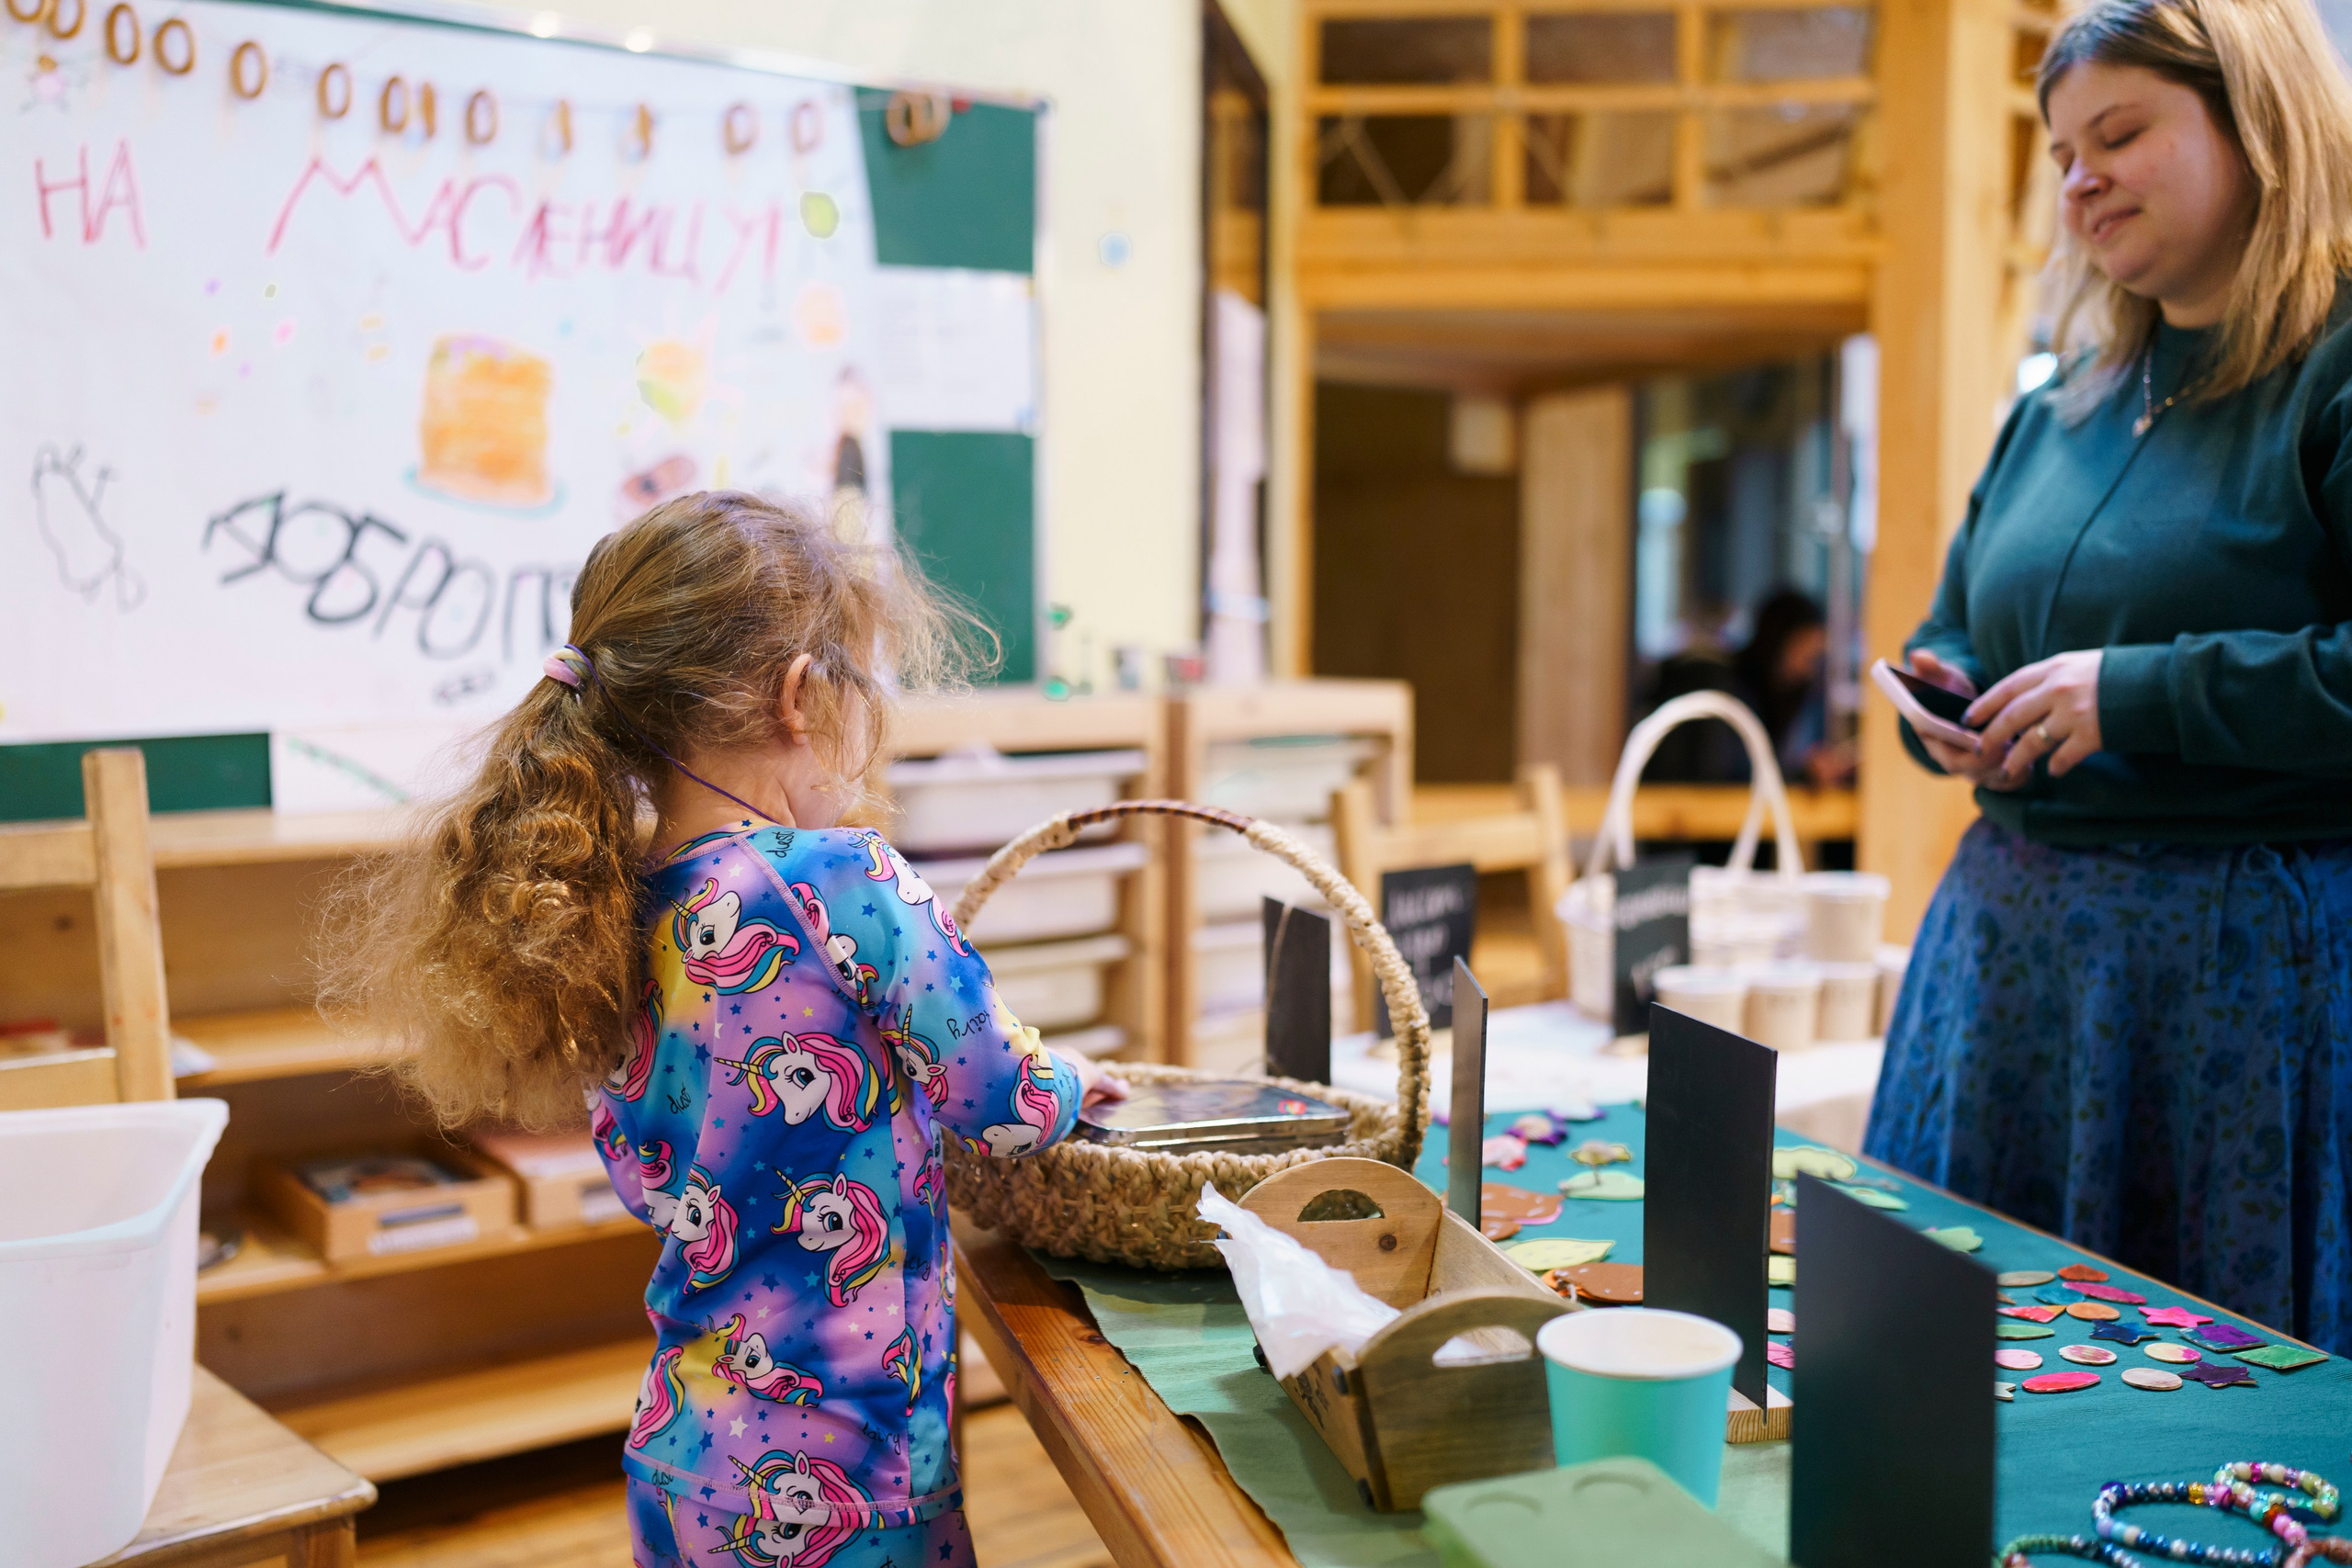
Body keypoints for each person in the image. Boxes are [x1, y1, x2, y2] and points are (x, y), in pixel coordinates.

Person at [322, 491, 1122, 1565]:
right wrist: (1070, 1079)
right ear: (801, 695)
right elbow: (1005, 1103)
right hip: (845, 1479)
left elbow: (658, 1179)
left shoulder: (597, 909)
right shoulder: (840, 878)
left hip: (681, 1453)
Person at [1865, 0, 2352, 1353]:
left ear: (2259, 125)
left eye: (2120, 134)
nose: (2080, 180)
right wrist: (1949, 700)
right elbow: (1958, 621)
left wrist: (2131, 695)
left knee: (2198, 1399)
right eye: (2063, 153)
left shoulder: (2336, 367)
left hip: (2232, 993)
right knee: (1952, 1387)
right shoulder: (2059, 398)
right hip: (2002, 974)